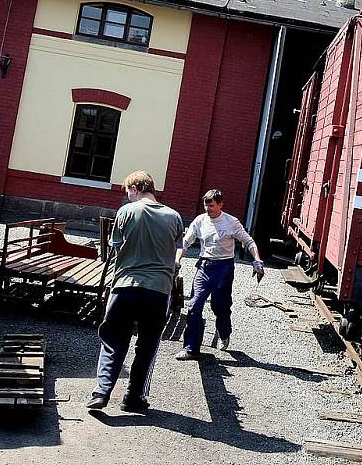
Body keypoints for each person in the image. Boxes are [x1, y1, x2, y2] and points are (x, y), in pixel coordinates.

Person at [86, 171, 184, 413]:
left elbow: (113, 248)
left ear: (136, 188)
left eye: (128, 191)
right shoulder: (174, 217)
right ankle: (133, 397)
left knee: (113, 340)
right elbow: (178, 249)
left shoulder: (126, 212)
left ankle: (101, 392)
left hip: (125, 286)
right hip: (158, 291)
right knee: (147, 345)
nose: (128, 196)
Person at [175, 189, 265, 360]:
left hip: (224, 268)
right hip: (204, 266)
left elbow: (249, 241)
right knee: (194, 305)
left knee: (220, 306)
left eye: (211, 205)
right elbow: (185, 243)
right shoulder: (200, 221)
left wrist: (257, 261)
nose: (207, 208)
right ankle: (191, 348)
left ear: (220, 205)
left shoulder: (231, 222)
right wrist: (177, 260)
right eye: (206, 205)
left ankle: (224, 332)